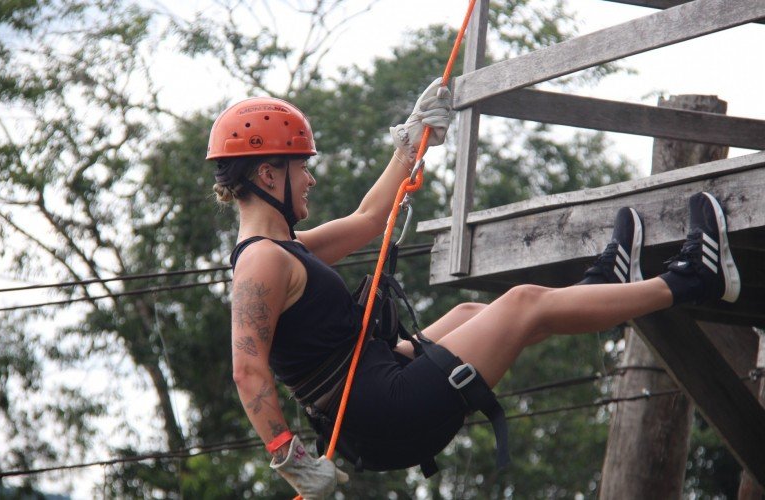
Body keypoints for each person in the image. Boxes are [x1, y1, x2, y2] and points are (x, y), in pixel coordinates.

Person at [206, 79, 740, 499]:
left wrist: (413, 144)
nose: (310, 179)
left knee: (467, 313)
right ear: (270, 175)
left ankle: (597, 289)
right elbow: (246, 368)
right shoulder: (262, 263)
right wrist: (288, 458)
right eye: (303, 167)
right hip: (382, 409)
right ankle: (692, 278)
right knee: (524, 304)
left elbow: (371, 218)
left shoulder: (287, 249)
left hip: (379, 380)